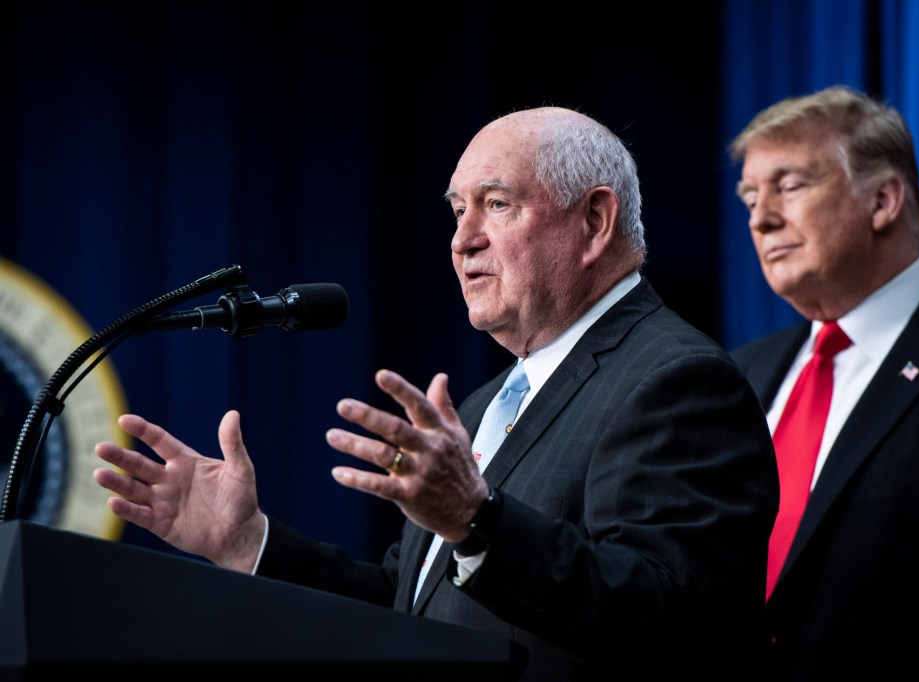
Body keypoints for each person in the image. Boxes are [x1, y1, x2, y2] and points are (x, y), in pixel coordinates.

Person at [94, 106, 779, 680]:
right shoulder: (485, 406)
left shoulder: (677, 381)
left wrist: (481, 522)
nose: (462, 240)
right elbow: (404, 610)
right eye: (456, 211)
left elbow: (674, 622)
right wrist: (249, 542)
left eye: (496, 204)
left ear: (595, 221)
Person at [727, 84, 919, 681]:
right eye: (750, 197)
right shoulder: (737, 374)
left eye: (790, 185)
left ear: (883, 200)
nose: (761, 218)